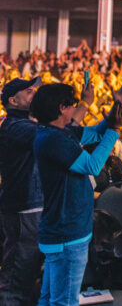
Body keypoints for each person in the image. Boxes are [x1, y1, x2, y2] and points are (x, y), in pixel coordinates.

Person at [32, 81, 122, 306]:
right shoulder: (54, 140)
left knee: (49, 298)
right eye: (73, 104)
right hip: (68, 233)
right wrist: (115, 130)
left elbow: (95, 133)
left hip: (63, 230)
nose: (76, 108)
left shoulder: (58, 132)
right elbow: (94, 165)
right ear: (61, 108)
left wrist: (118, 107)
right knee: (63, 301)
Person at [0, 77, 43, 306]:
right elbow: (51, 134)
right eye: (29, 91)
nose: (34, 94)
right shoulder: (16, 127)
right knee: (16, 278)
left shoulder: (25, 124)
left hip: (29, 207)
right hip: (22, 209)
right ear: (13, 100)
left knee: (27, 274)